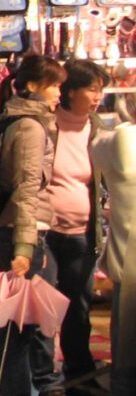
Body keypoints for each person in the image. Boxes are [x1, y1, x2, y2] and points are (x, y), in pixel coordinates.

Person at [0, 54, 66, 396]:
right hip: (21, 234)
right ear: (32, 86)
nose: (60, 91)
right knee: (16, 329)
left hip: (16, 232)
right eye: (55, 84)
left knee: (16, 327)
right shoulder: (30, 127)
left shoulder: (20, 120)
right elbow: (27, 188)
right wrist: (26, 248)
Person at [37, 60, 111, 389]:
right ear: (69, 91)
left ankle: (79, 375)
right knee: (43, 308)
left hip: (83, 234)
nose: (98, 97)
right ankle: (42, 376)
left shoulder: (98, 129)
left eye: (101, 90)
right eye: (92, 89)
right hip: (46, 233)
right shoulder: (46, 124)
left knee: (77, 308)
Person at [90, 118, 136, 396]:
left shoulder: (118, 140)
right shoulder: (124, 142)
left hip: (128, 265)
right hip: (129, 264)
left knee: (126, 348)